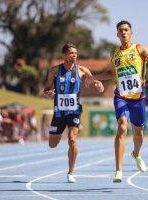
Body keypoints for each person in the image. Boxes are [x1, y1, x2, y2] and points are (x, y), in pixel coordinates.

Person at [94, 20, 148, 183]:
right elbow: (111, 72)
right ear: (117, 34)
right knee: (122, 127)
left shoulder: (139, 48)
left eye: (126, 30)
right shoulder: (115, 53)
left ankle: (136, 154)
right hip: (121, 97)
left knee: (138, 134)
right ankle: (118, 170)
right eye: (121, 30)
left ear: (131, 33)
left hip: (137, 99)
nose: (124, 32)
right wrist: (93, 78)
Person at [44, 43, 104, 183]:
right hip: (59, 112)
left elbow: (93, 80)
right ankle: (57, 138)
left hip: (74, 111)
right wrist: (48, 92)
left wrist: (98, 84)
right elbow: (47, 88)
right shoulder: (54, 71)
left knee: (72, 139)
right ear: (64, 55)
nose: (74, 55)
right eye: (71, 53)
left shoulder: (81, 70)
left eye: (76, 53)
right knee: (52, 144)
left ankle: (71, 172)